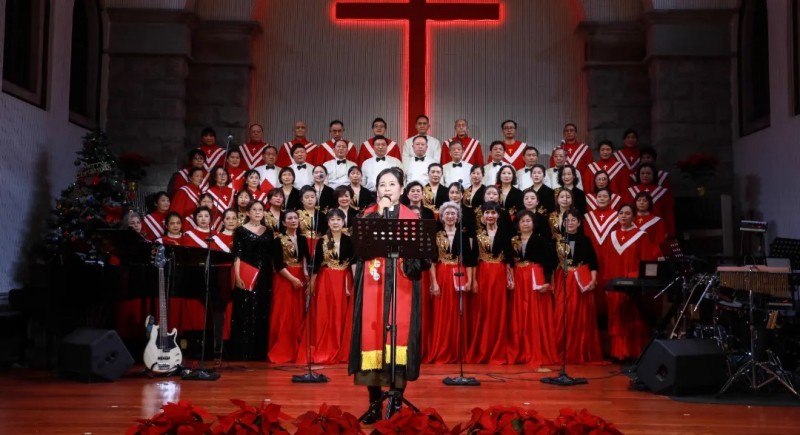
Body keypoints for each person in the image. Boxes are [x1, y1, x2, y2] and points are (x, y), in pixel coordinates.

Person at [348, 167, 428, 424]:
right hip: (373, 285)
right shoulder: (367, 215)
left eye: (392, 184)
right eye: (382, 184)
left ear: (401, 189)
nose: (387, 188)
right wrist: (378, 215)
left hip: (402, 287)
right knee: (371, 336)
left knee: (399, 339)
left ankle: (396, 400)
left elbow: (423, 259)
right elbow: (359, 251)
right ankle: (374, 403)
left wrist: (411, 260)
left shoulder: (411, 218)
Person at [601, 204, 658, 361]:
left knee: (633, 316)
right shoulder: (612, 236)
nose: (623, 216)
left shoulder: (641, 236)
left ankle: (633, 353)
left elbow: (646, 261)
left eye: (627, 213)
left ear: (633, 217)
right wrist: (607, 283)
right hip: (615, 282)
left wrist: (638, 279)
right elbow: (607, 261)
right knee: (616, 316)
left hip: (633, 283)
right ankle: (618, 353)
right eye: (621, 213)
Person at [298, 208, 354, 364]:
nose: (335, 223)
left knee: (341, 314)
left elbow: (354, 263)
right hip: (326, 281)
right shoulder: (321, 241)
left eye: (338, 220)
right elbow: (315, 265)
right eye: (332, 220)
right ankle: (324, 346)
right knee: (325, 314)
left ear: (343, 222)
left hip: (343, 281)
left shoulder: (350, 240)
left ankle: (342, 348)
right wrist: (312, 284)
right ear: (328, 222)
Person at [426, 201, 476, 363]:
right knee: (441, 313)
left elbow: (469, 261)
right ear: (441, 217)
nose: (450, 216)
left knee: (458, 313)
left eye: (453, 213)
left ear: (458, 217)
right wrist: (434, 282)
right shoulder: (436, 236)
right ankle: (441, 350)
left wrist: (470, 280)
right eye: (447, 213)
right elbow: (432, 261)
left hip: (459, 274)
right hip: (442, 275)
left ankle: (457, 352)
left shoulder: (463, 236)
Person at [552, 208, 603, 364]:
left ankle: (580, 351)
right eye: (567, 220)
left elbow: (593, 262)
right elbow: (552, 264)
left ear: (579, 223)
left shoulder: (586, 240)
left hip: (582, 280)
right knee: (563, 313)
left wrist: (593, 280)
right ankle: (561, 350)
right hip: (564, 280)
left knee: (581, 315)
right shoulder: (557, 241)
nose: (570, 223)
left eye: (574, 220)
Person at [508, 209, 558, 368]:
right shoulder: (513, 240)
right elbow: (509, 263)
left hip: (535, 278)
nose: (525, 224)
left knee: (536, 314)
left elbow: (549, 262)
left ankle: (537, 350)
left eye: (528, 221)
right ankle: (521, 351)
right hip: (519, 279)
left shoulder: (541, 240)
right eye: (522, 221)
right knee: (520, 313)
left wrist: (548, 282)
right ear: (518, 224)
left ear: (534, 224)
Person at [467, 201, 513, 364]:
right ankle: (482, 349)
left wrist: (510, 278)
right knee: (483, 310)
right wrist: (473, 280)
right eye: (487, 212)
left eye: (493, 213)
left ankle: (498, 349)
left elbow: (509, 259)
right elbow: (472, 259)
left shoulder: (505, 233)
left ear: (498, 215)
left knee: (498, 311)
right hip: (483, 274)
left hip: (499, 274)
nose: (490, 216)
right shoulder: (477, 234)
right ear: (482, 215)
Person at [230, 200, 274, 361]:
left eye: (260, 209)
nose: (257, 212)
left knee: (262, 310)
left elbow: (271, 256)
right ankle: (243, 352)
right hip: (246, 274)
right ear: (248, 212)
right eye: (254, 209)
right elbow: (237, 254)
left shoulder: (269, 231)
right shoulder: (240, 231)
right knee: (245, 310)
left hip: (265, 276)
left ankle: (259, 352)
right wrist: (237, 276)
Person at [268, 209, 310, 363]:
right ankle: (282, 348)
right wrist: (292, 279)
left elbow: (306, 260)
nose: (293, 221)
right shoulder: (277, 240)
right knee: (283, 313)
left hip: (300, 278)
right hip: (284, 279)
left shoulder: (303, 239)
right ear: (284, 222)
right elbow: (278, 264)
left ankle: (296, 348)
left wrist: (306, 277)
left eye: (295, 218)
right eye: (290, 218)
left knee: (298, 313)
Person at [626, 163, 674, 236]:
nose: (645, 175)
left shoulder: (663, 192)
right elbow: (627, 211)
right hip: (634, 228)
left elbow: (668, 213)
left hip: (656, 228)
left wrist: (669, 232)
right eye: (642, 173)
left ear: (654, 175)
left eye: (648, 173)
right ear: (638, 175)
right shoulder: (630, 191)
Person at [298, 185, 328, 257]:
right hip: (302, 244)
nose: (310, 199)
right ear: (301, 200)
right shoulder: (297, 214)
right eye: (306, 197)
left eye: (312, 197)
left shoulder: (322, 215)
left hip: (318, 245)